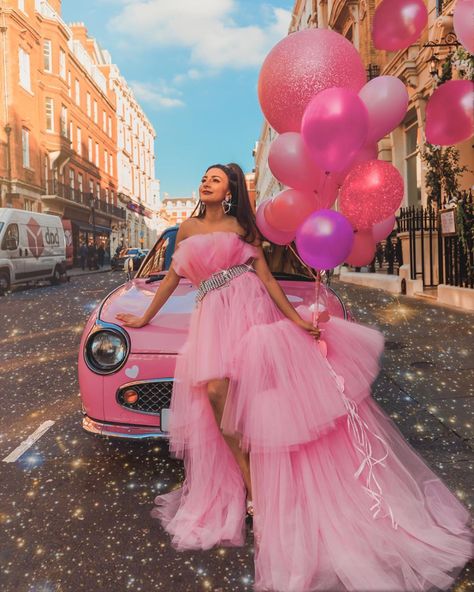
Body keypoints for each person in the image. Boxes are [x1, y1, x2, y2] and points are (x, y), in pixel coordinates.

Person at [115, 163, 472, 592]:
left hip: (248, 311)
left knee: (259, 404)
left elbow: (265, 278)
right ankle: (253, 486)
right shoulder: (186, 228)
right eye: (203, 177)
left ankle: (261, 498)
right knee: (214, 396)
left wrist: (296, 322)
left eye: (215, 177)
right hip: (211, 316)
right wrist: (143, 315)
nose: (206, 181)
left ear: (230, 189)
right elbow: (172, 279)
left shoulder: (242, 227)